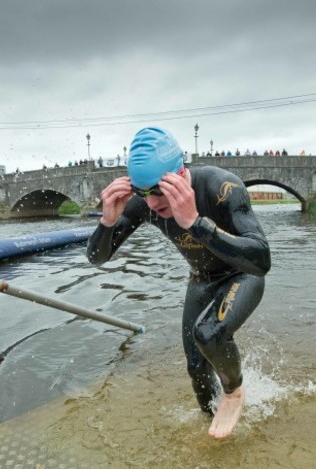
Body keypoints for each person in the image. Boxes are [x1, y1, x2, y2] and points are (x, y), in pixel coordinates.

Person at [86, 127, 271, 438]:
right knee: (196, 369)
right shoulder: (145, 202)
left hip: (242, 274)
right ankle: (216, 430)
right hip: (201, 279)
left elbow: (261, 261)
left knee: (208, 334)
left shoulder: (222, 187)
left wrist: (196, 223)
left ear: (181, 174)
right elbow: (96, 258)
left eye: (161, 194)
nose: (155, 205)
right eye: (146, 195)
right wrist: (107, 222)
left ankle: (234, 391)